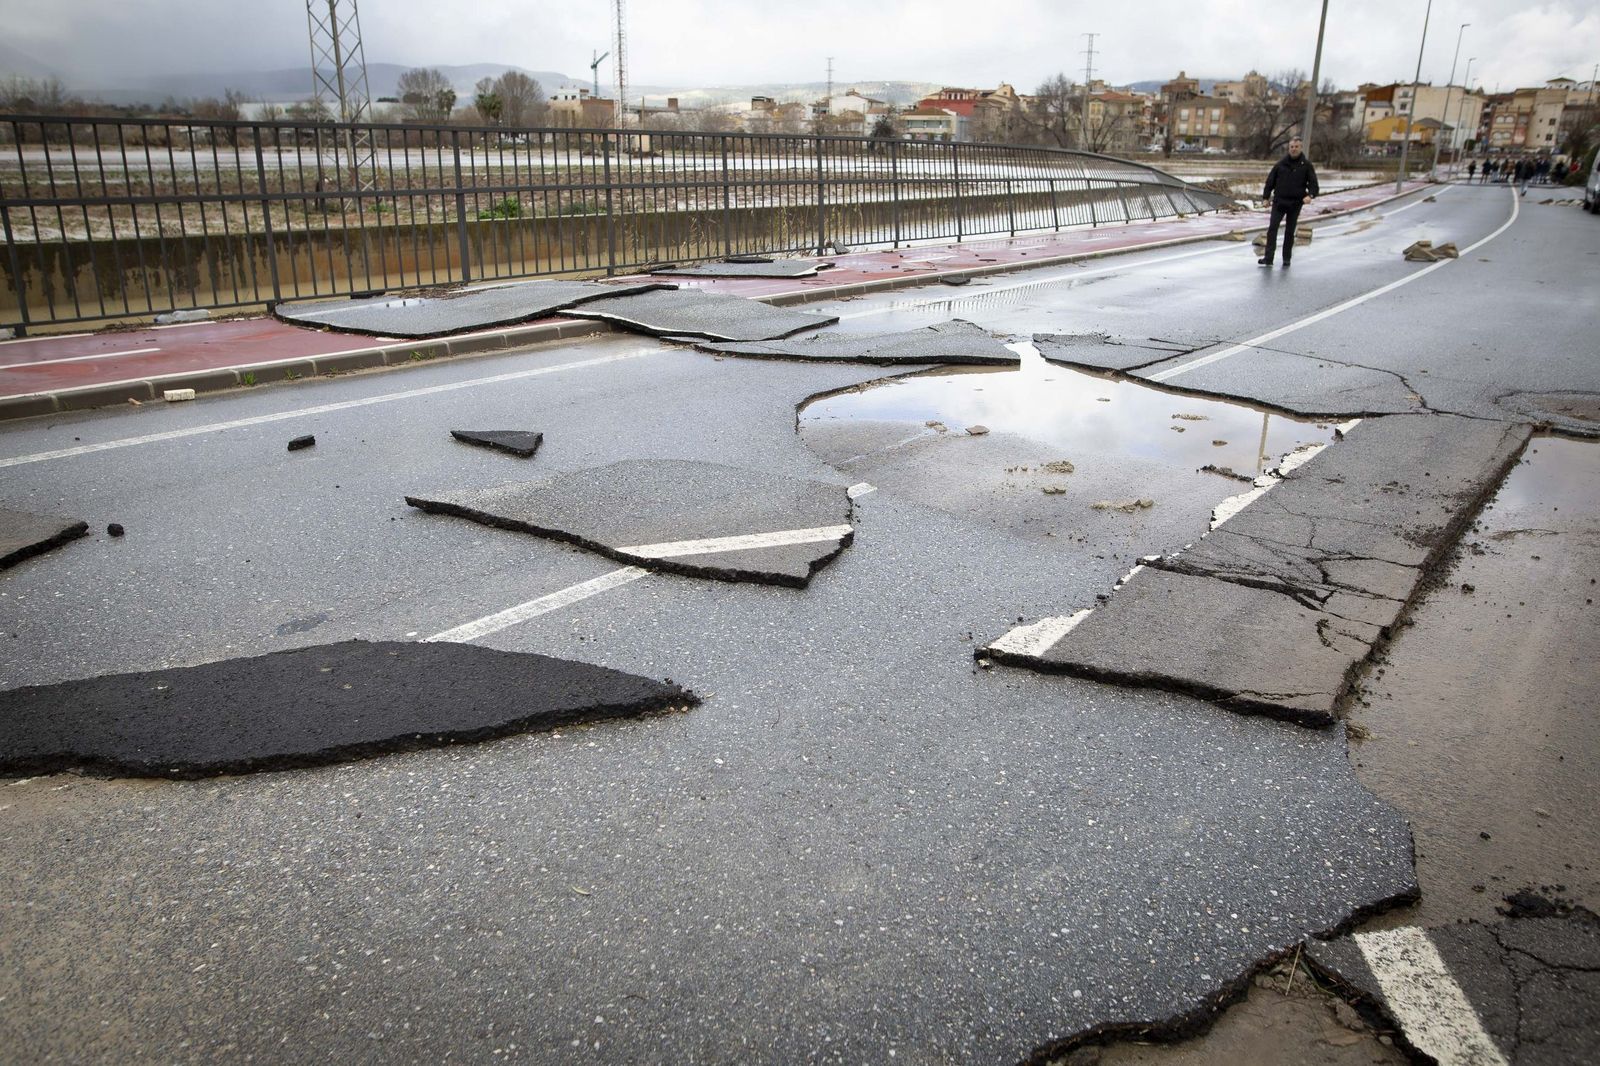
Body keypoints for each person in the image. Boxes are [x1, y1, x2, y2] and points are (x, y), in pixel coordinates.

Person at [1258, 136, 1319, 267]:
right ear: (1288, 148)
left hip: (1295, 203)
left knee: (1289, 231)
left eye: (1296, 147)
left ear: (1300, 148)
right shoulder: (1280, 164)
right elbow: (1270, 182)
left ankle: (1286, 258)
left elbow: (1314, 184)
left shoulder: (1306, 165)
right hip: (1279, 202)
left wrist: (1311, 195)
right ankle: (1268, 258)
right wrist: (1265, 198)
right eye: (1291, 147)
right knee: (1272, 228)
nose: (1294, 149)